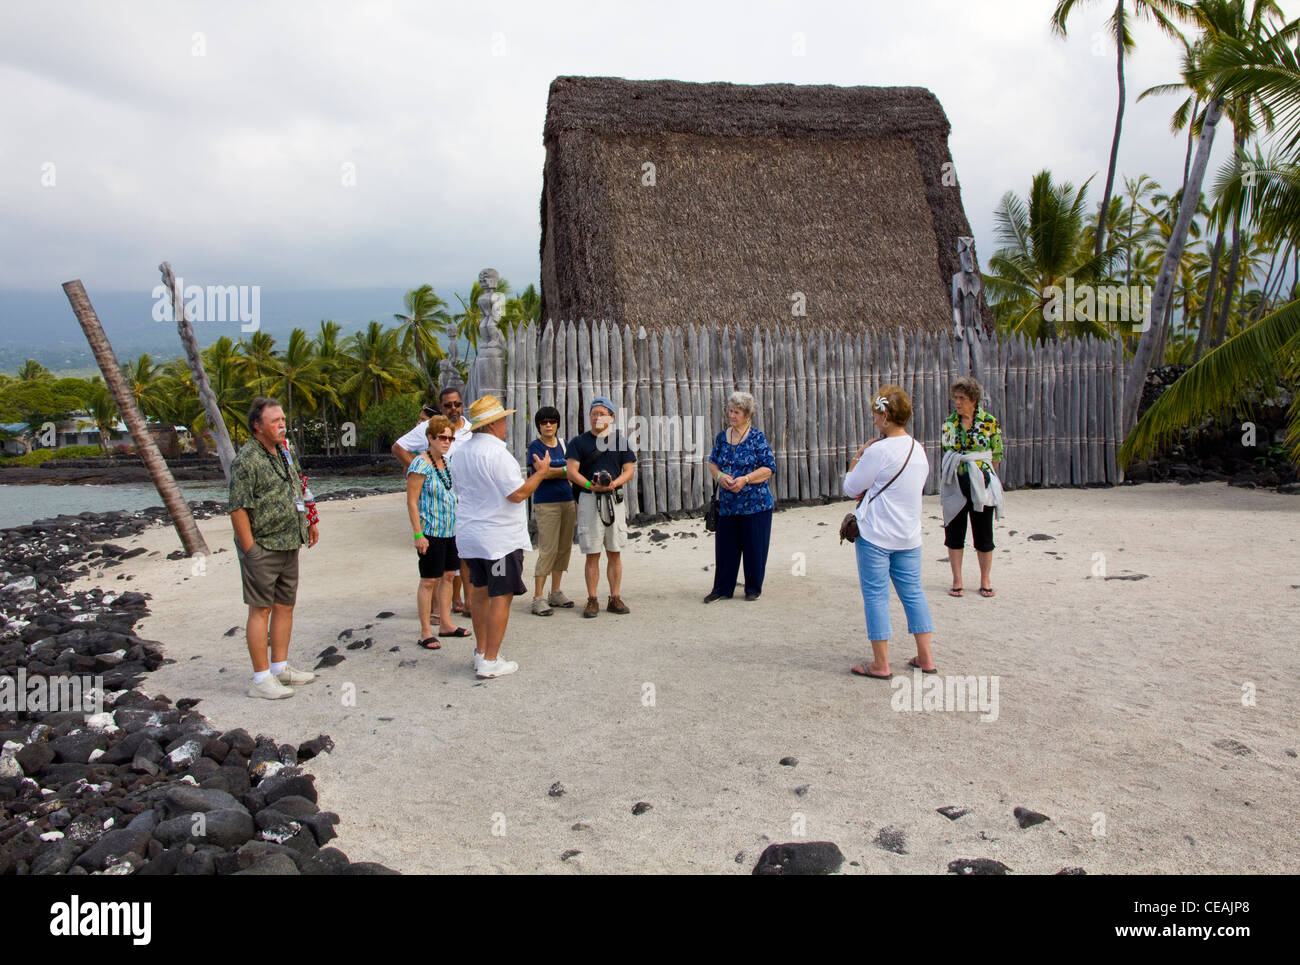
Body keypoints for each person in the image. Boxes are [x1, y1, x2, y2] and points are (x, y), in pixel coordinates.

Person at [448, 395, 550, 678]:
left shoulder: (460, 452)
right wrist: (540, 473)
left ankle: (482, 652)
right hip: (498, 538)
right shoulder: (497, 454)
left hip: (470, 534)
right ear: (493, 424)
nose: (506, 424)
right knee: (501, 595)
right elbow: (517, 494)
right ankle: (491, 660)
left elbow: (460, 490)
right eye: (503, 419)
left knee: (478, 594)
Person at [228, 397, 319, 699]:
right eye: (275, 421)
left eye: (282, 420)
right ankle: (261, 677)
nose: (282, 425)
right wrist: (250, 550)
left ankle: (280, 667)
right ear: (257, 426)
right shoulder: (247, 460)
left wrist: (310, 521)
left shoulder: (285, 451)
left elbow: (298, 485)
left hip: (289, 540)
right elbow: (238, 508)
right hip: (263, 544)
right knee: (260, 609)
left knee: (284, 606)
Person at [843, 385, 936, 680]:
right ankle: (925, 657)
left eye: (875, 414)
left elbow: (850, 487)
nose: (873, 419)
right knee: (913, 593)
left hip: (876, 534)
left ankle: (881, 663)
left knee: (876, 595)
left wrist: (858, 456)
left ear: (884, 416)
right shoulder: (917, 449)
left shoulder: (879, 450)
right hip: (908, 535)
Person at [565, 396, 637, 619]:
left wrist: (614, 483)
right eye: (594, 413)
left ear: (612, 417)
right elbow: (571, 471)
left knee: (615, 551)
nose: (597, 417)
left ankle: (615, 597)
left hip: (615, 498)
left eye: (602, 413)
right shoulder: (578, 442)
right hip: (589, 499)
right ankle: (592, 599)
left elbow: (629, 470)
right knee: (592, 553)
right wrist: (590, 485)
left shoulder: (620, 441)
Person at [704, 391, 776, 602]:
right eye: (730, 411)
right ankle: (722, 589)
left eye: (736, 412)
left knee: (755, 547)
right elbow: (712, 462)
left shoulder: (757, 438)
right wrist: (720, 476)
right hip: (728, 505)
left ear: (747, 415)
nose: (732, 415)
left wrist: (745, 479)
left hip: (756, 504)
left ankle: (753, 587)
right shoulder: (722, 437)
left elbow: (769, 468)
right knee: (725, 548)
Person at [405, 415, 469, 648]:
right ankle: (424, 631)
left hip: (450, 530)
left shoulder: (447, 463)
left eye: (450, 438)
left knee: (449, 576)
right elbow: (412, 501)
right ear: (430, 437)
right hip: (430, 530)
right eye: (442, 437)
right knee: (428, 580)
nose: (446, 442)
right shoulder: (420, 464)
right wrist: (418, 534)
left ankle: (446, 623)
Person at [940, 376, 1004, 598]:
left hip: (981, 485)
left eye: (962, 398)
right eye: (956, 398)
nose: (957, 402)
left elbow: (995, 455)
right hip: (955, 483)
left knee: (984, 533)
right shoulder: (949, 423)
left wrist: (983, 473)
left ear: (973, 400)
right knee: (954, 532)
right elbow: (946, 450)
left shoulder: (989, 422)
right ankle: (957, 580)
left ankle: (985, 579)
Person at [526, 406, 577, 616]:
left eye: (552, 421)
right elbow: (542, 474)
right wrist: (564, 470)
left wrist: (556, 471)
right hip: (546, 503)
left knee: (564, 548)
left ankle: (555, 591)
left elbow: (574, 470)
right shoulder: (534, 447)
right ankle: (537, 597)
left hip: (567, 500)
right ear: (539, 425)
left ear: (557, 424)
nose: (548, 425)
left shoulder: (565, 445)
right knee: (547, 549)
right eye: (544, 422)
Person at [391, 402, 439, 470]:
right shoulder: (421, 432)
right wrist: (418, 472)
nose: (419, 422)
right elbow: (397, 448)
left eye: (423, 419)